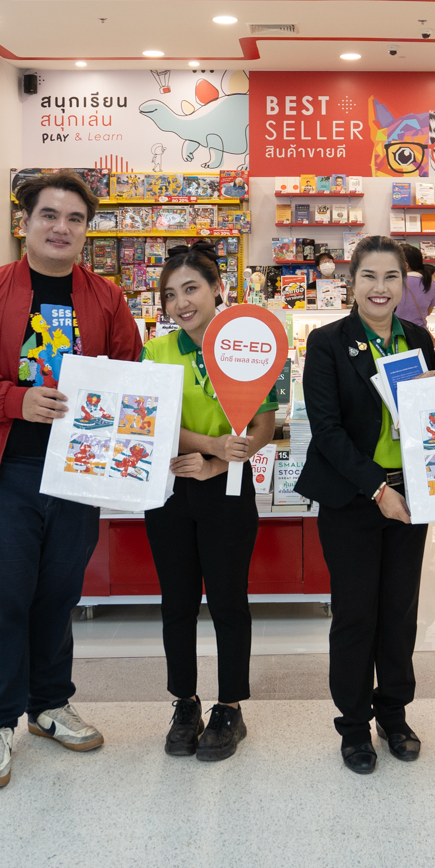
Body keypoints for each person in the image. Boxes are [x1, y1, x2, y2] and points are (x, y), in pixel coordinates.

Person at [0, 172, 141, 791]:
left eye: (75, 218)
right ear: (25, 223)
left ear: (86, 231)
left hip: (78, 470)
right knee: (2, 601)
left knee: (58, 596)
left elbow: (130, 368)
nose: (61, 227)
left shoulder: (106, 298)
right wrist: (14, 401)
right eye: (49, 215)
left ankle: (49, 704)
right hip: (5, 470)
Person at [298, 235, 435, 774]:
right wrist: (378, 490)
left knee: (399, 613)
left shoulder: (418, 339)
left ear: (405, 283)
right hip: (355, 497)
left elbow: (429, 421)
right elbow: (328, 431)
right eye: (369, 277)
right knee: (356, 614)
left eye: (391, 277)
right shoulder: (328, 342)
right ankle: (355, 725)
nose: (380, 288)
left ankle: (394, 715)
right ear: (351, 282)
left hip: (412, 495)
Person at [142, 243, 277, 763]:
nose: (180, 303)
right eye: (169, 294)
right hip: (170, 488)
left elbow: (264, 423)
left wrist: (220, 464)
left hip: (229, 489)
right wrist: (211, 446)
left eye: (191, 289)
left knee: (228, 601)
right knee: (177, 601)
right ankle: (185, 703)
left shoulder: (249, 345)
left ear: (217, 288)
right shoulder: (156, 353)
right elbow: (151, 420)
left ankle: (230, 707)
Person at [396, 244, 435, 328]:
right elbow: (428, 311)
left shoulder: (395, 282)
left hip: (398, 332)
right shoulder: (431, 284)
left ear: (406, 265)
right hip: (420, 331)